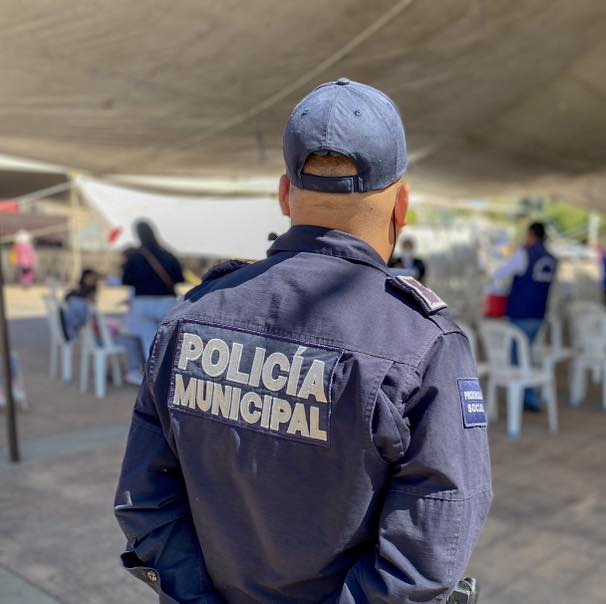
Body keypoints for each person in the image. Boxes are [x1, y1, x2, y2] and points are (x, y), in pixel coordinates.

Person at [114, 78, 492, 603]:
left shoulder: (192, 317)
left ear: (285, 193)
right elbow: (431, 544)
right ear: (401, 205)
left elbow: (146, 502)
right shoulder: (422, 341)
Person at [493, 221, 558, 411]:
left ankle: (527, 397)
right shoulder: (551, 258)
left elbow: (500, 272)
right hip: (539, 314)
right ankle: (529, 395)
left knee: (518, 357)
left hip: (521, 312)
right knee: (525, 352)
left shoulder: (524, 254)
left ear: (531, 234)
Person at [60, 268, 146, 385]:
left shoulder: (77, 297)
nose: (93, 281)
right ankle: (134, 372)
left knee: (128, 335)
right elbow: (89, 322)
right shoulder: (82, 300)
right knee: (134, 340)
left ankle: (135, 371)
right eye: (91, 279)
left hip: (92, 337)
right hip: (98, 339)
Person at [121, 221, 184, 360]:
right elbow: (179, 278)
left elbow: (126, 281)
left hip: (142, 302)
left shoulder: (135, 257)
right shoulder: (168, 254)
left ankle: (153, 378)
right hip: (166, 302)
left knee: (149, 343)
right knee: (169, 343)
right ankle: (169, 377)